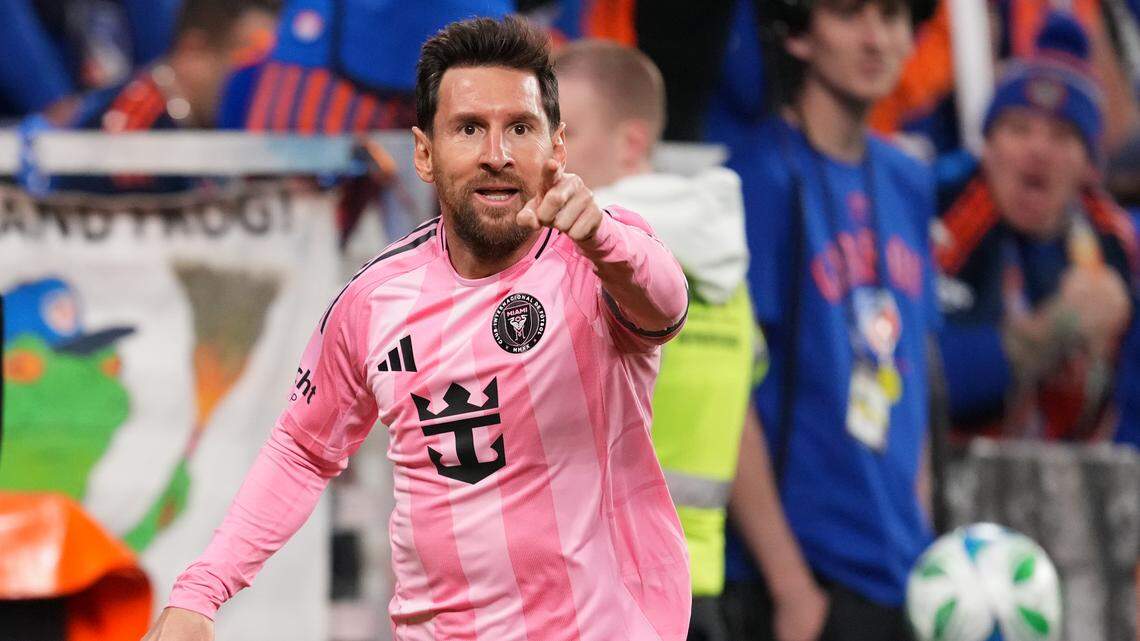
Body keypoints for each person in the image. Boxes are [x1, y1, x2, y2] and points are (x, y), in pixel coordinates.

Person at [141, 16, 691, 641]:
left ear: (556, 148)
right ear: (425, 154)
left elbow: (665, 304)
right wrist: (201, 592)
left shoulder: (600, 255)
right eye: (469, 128)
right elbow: (302, 449)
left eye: (520, 127)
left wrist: (603, 239)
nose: (496, 154)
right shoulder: (376, 299)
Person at [719, 0, 940, 638]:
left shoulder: (908, 179)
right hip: (802, 586)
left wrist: (920, 540)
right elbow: (728, 395)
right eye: (849, 14)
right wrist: (790, 587)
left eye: (893, 16)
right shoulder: (754, 178)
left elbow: (912, 375)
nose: (876, 39)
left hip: (899, 573)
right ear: (798, 35)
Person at [555, 40, 755, 641]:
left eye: (564, 133)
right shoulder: (729, 267)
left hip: (608, 588)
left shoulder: (587, 260)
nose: (544, 155)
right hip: (699, 587)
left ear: (631, 143)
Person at [935, 12, 1137, 441]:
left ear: (1089, 168)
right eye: (1018, 129)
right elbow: (926, 375)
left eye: (1062, 135)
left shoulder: (1115, 243)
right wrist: (1054, 329)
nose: (1038, 150)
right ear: (987, 147)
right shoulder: (944, 211)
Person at [26, 0, 278, 194]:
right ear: (193, 52)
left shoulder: (198, 123)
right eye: (246, 64)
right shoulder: (132, 135)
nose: (258, 84)